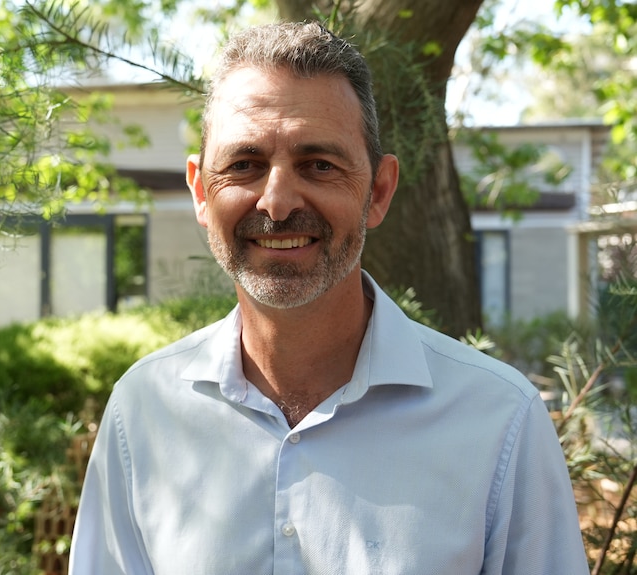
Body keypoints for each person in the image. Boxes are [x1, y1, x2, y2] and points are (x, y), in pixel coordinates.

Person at [69, 21, 589, 574]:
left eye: (319, 165)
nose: (277, 202)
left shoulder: (499, 421)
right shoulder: (144, 412)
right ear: (201, 192)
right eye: (244, 164)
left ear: (378, 193)